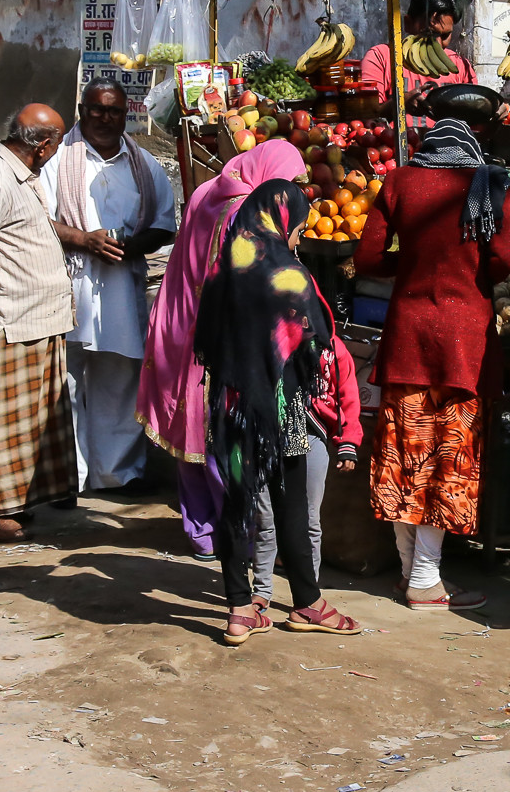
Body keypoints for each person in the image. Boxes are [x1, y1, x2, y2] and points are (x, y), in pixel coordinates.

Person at [354, 117, 510, 611]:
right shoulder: (488, 181)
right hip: (464, 341)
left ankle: (412, 572)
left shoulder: (400, 180)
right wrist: (472, 272)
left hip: (408, 334)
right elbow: (507, 256)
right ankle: (425, 580)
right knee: (449, 457)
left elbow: (367, 258)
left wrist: (407, 267)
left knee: (407, 453)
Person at [194, 180, 362, 643]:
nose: (297, 239)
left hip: (231, 402)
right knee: (291, 502)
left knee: (236, 501)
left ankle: (238, 609)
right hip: (281, 405)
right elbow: (317, 336)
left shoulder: (227, 261)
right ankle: (308, 603)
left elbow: (205, 333)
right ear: (283, 220)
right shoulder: (289, 271)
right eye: (299, 229)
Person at [136, 142, 307, 560]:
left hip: (181, 318)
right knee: (222, 433)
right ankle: (240, 538)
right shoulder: (247, 212)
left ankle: (201, 532)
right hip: (218, 332)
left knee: (189, 431)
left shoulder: (207, 190)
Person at [41, 79, 177, 496]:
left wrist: (128, 247)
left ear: (125, 115)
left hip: (121, 287)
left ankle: (115, 475)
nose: (104, 118)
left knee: (120, 381)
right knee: (65, 382)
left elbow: (164, 224)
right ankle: (70, 476)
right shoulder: (56, 159)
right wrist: (86, 240)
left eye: (114, 111)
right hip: (68, 283)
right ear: (81, 110)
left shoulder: (143, 164)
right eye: (96, 110)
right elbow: (36, 220)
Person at [0, 105, 78, 542]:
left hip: (35, 319)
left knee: (27, 422)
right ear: (43, 146)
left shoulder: (22, 177)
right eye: (57, 142)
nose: (56, 150)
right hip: (8, 320)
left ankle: (13, 501)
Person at [250, 332, 363, 612]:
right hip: (265, 435)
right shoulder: (265, 339)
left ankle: (308, 597)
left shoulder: (333, 350)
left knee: (309, 521)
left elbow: (347, 397)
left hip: (312, 437)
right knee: (266, 520)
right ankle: (261, 592)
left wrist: (347, 442)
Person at [360, 0, 476, 138]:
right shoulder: (381, 57)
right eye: (430, 33)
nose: (438, 43)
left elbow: (474, 126)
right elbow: (366, 117)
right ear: (408, 24)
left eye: (446, 35)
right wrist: (399, 103)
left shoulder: (459, 66)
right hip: (395, 153)